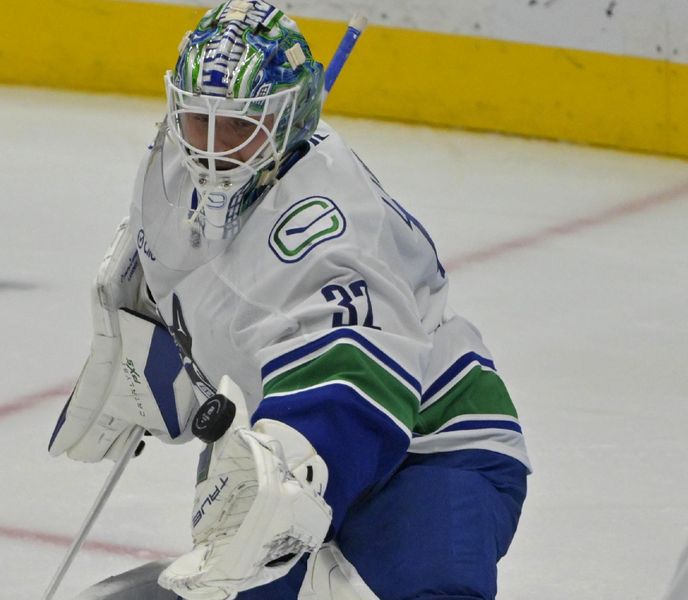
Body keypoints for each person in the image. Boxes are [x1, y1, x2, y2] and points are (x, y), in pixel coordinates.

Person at [48, 1, 531, 599]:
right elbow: (173, 278)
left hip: (432, 447)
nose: (211, 149)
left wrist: (285, 476)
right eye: (199, 118)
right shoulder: (173, 164)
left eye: (238, 126)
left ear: (288, 121)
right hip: (271, 431)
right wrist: (151, 360)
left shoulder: (329, 229)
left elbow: (354, 385)